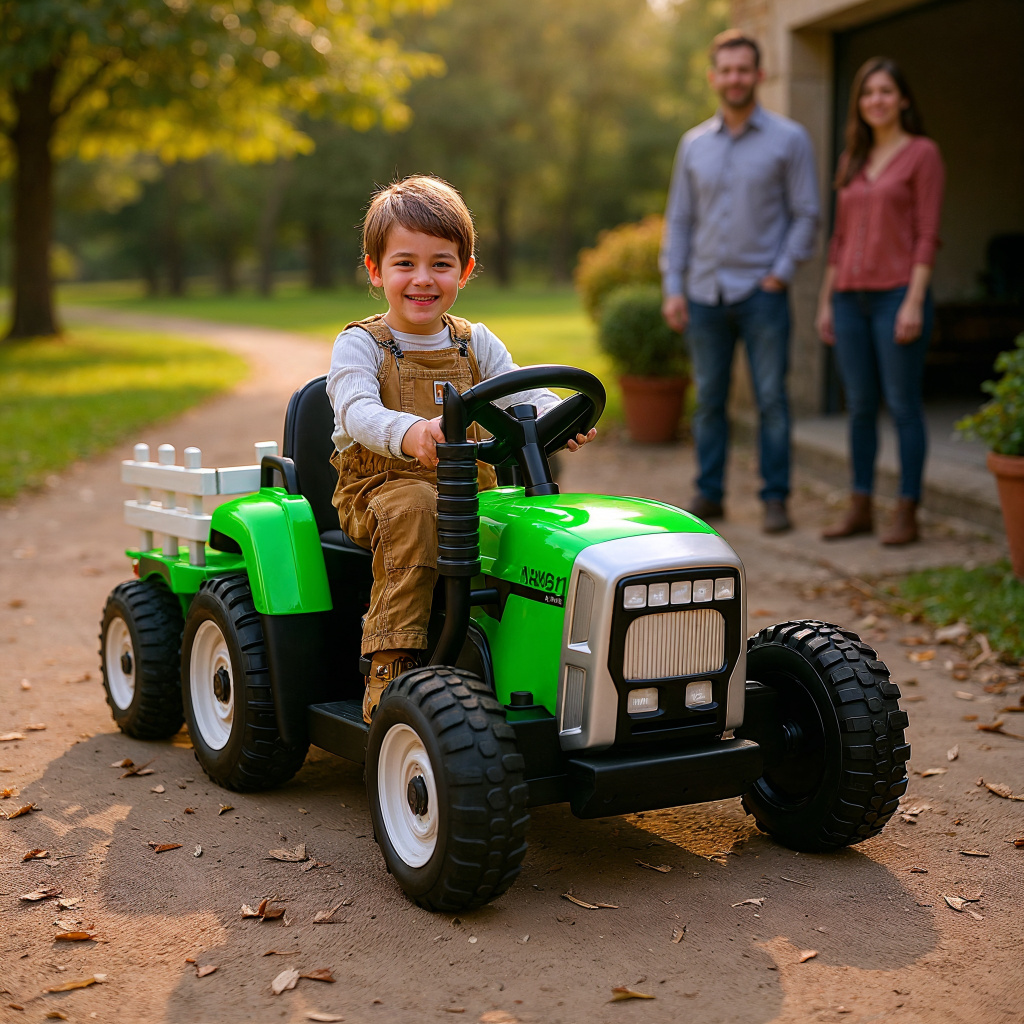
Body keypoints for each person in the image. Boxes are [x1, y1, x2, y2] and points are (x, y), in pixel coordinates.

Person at [327, 175, 597, 723]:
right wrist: (410, 433)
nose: (423, 279)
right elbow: (356, 410)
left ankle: (542, 659)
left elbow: (524, 389)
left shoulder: (476, 342)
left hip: (470, 493)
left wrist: (557, 415)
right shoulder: (361, 344)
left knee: (543, 523)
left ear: (465, 270)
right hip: (380, 491)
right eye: (405, 263)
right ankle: (392, 661)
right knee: (416, 509)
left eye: (441, 264)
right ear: (375, 270)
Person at [660, 30, 818, 534]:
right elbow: (680, 219)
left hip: (762, 294)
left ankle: (775, 498)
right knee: (709, 400)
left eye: (743, 69)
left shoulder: (789, 139)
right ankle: (710, 493)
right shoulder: (693, 144)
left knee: (772, 399)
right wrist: (674, 286)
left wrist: (780, 274)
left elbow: (807, 213)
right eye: (726, 70)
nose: (734, 78)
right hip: (704, 292)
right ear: (713, 77)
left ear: (759, 75)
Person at [817, 57, 944, 546]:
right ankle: (861, 506)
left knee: (904, 404)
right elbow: (839, 238)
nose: (877, 100)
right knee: (860, 406)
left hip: (897, 294)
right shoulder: (852, 158)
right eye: (868, 93)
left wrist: (913, 300)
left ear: (903, 99)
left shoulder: (923, 154)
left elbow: (927, 234)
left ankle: (907, 510)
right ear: (860, 103)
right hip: (849, 298)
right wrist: (827, 301)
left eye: (886, 91)